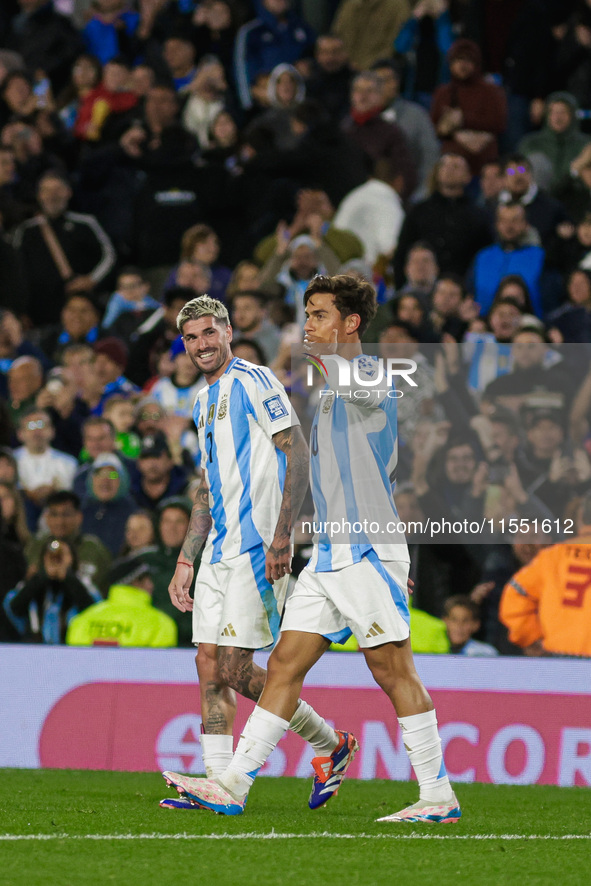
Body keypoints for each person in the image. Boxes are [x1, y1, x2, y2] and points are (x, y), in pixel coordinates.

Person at [163, 277, 460, 824]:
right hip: (327, 556)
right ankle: (233, 784)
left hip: (366, 550)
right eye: (306, 314)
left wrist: (388, 557)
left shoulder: (371, 374)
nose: (308, 324)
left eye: (320, 314)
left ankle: (438, 795)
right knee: (281, 666)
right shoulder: (325, 391)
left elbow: (371, 393)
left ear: (350, 324)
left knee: (392, 669)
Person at [164, 294, 352, 807]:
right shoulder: (202, 401)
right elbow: (206, 488)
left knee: (235, 669)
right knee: (208, 662)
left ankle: (329, 743)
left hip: (255, 548)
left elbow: (298, 452)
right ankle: (217, 782)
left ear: (227, 332)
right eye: (191, 337)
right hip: (217, 553)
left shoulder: (255, 380)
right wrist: (187, 557)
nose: (201, 344)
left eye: (209, 332)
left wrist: (282, 535)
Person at [499, 493, 591, 657]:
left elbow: (515, 593)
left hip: (559, 654)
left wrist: (531, 636)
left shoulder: (552, 557)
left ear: (580, 518)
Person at [66, 554, 177, 648]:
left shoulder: (80, 622)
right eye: (148, 580)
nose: (152, 586)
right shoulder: (160, 624)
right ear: (135, 582)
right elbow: (160, 669)